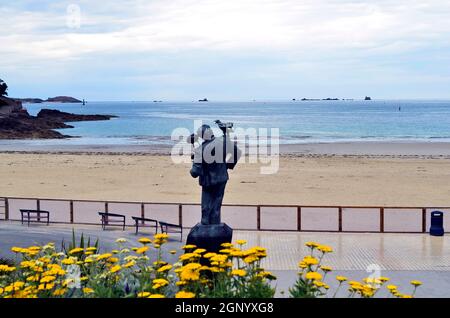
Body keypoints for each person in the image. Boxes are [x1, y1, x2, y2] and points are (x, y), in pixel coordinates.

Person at [190, 124, 241, 225]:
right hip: (221, 178)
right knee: (217, 204)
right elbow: (237, 152)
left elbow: (195, 172)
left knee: (206, 205)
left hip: (207, 181)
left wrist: (193, 163)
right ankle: (215, 223)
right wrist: (228, 165)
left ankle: (206, 225)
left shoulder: (200, 149)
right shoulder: (223, 141)